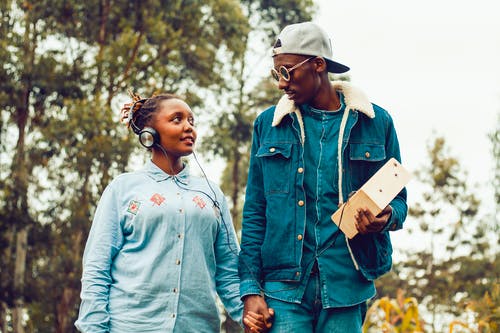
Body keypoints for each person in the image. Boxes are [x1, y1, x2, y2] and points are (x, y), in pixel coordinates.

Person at [239, 22, 408, 332]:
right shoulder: (268, 125)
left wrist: (385, 217)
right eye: (277, 74)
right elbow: (254, 213)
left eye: (287, 72)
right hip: (284, 288)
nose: (281, 83)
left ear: (318, 65)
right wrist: (250, 291)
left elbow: (398, 200)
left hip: (347, 281)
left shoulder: (376, 122)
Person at [75, 93, 271, 332]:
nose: (188, 127)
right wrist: (93, 327)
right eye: (177, 119)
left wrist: (248, 315)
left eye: (191, 121)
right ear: (149, 134)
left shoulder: (211, 194)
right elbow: (97, 266)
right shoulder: (122, 189)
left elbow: (228, 269)